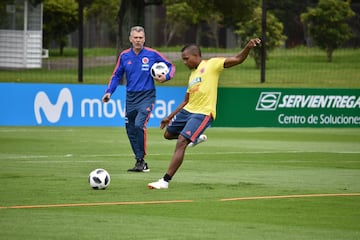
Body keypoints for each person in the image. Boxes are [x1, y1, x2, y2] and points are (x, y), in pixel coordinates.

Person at [148, 38, 261, 189]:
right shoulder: (192, 76)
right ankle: (195, 137)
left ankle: (165, 181)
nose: (185, 62)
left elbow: (238, 59)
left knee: (182, 141)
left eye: (186, 59)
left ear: (196, 55)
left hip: (203, 112)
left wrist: (247, 47)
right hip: (188, 110)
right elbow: (186, 100)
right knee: (168, 135)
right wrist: (169, 117)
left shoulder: (212, 64)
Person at [102, 26, 176, 172]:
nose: (138, 40)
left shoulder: (152, 54)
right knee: (130, 129)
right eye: (135, 37)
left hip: (147, 96)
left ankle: (141, 160)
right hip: (131, 97)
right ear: (130, 39)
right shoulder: (124, 56)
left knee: (139, 125)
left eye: (140, 37)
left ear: (144, 39)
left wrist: (166, 77)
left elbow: (171, 66)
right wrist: (109, 92)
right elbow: (116, 75)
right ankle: (140, 161)